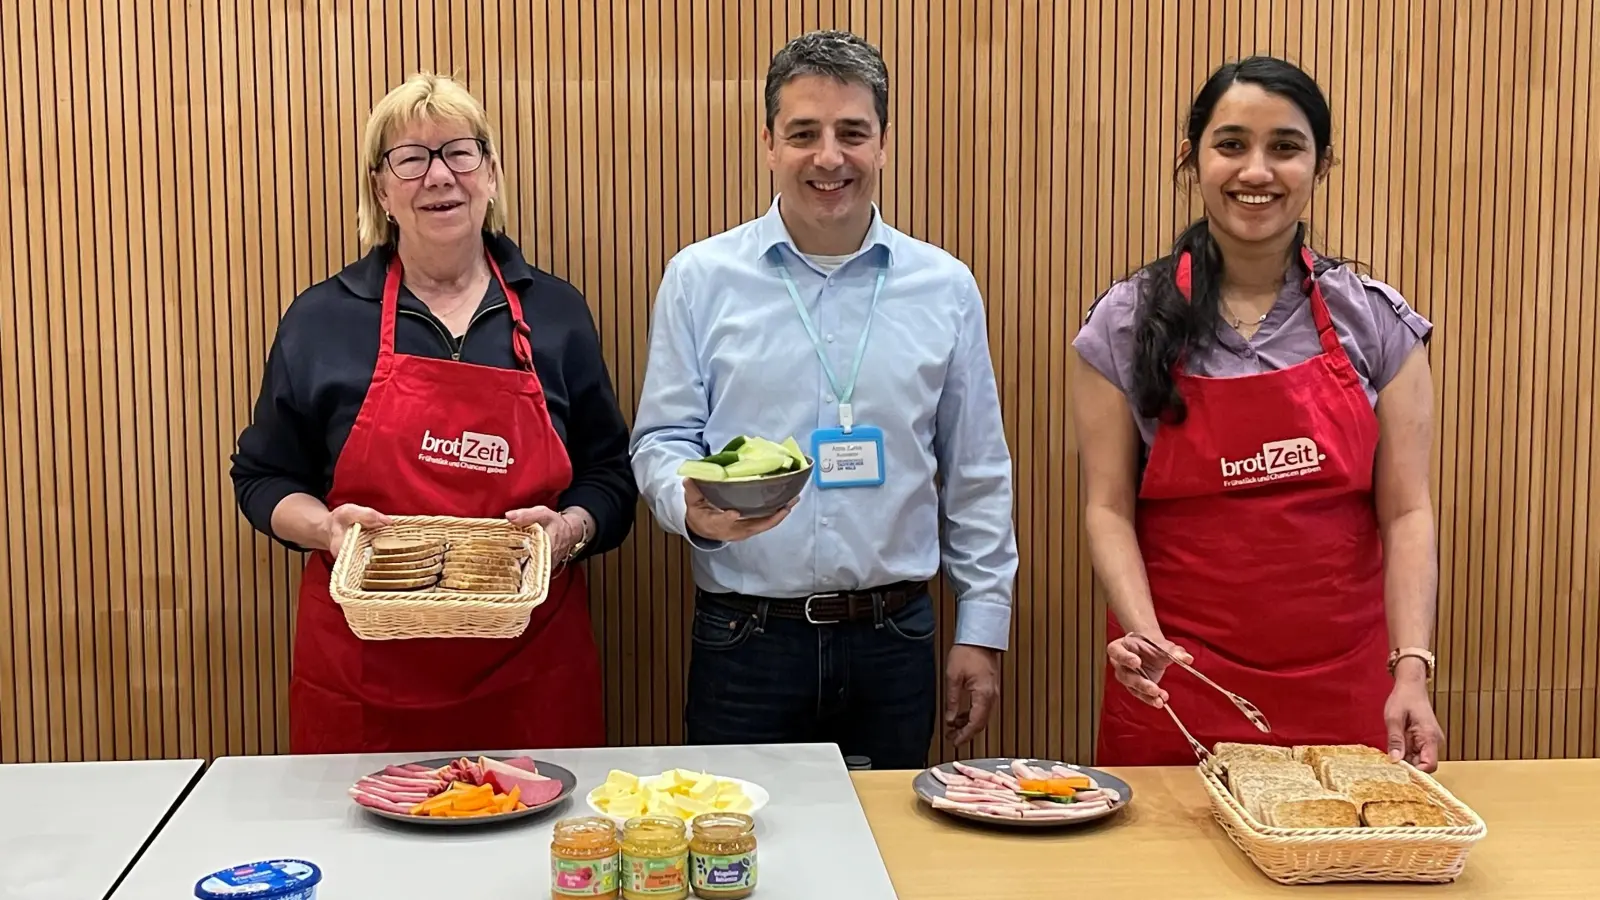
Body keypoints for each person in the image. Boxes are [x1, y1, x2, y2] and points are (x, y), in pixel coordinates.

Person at [628, 30, 1018, 769]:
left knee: (891, 863)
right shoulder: (700, 278)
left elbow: (977, 472)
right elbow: (662, 439)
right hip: (746, 639)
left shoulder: (945, 287)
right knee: (740, 858)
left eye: (852, 132)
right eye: (804, 133)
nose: (829, 157)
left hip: (896, 639)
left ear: (883, 142)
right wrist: (689, 506)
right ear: (769, 142)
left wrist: (981, 626)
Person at [230, 72, 636, 754]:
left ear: (493, 174)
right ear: (381, 190)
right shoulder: (321, 319)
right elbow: (261, 477)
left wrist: (568, 530)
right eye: (410, 159)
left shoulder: (556, 313)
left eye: (459, 152)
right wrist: (328, 530)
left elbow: (611, 477)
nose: (439, 176)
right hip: (365, 684)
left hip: (532, 680)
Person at [1071, 55, 1445, 771]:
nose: (1256, 171)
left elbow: (1406, 513)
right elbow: (1108, 508)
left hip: (1346, 689)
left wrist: (1413, 671)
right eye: (1232, 144)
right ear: (1192, 157)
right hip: (1176, 686)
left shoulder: (1378, 323)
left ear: (1321, 164)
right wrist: (1146, 639)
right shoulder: (1124, 323)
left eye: (1285, 147)